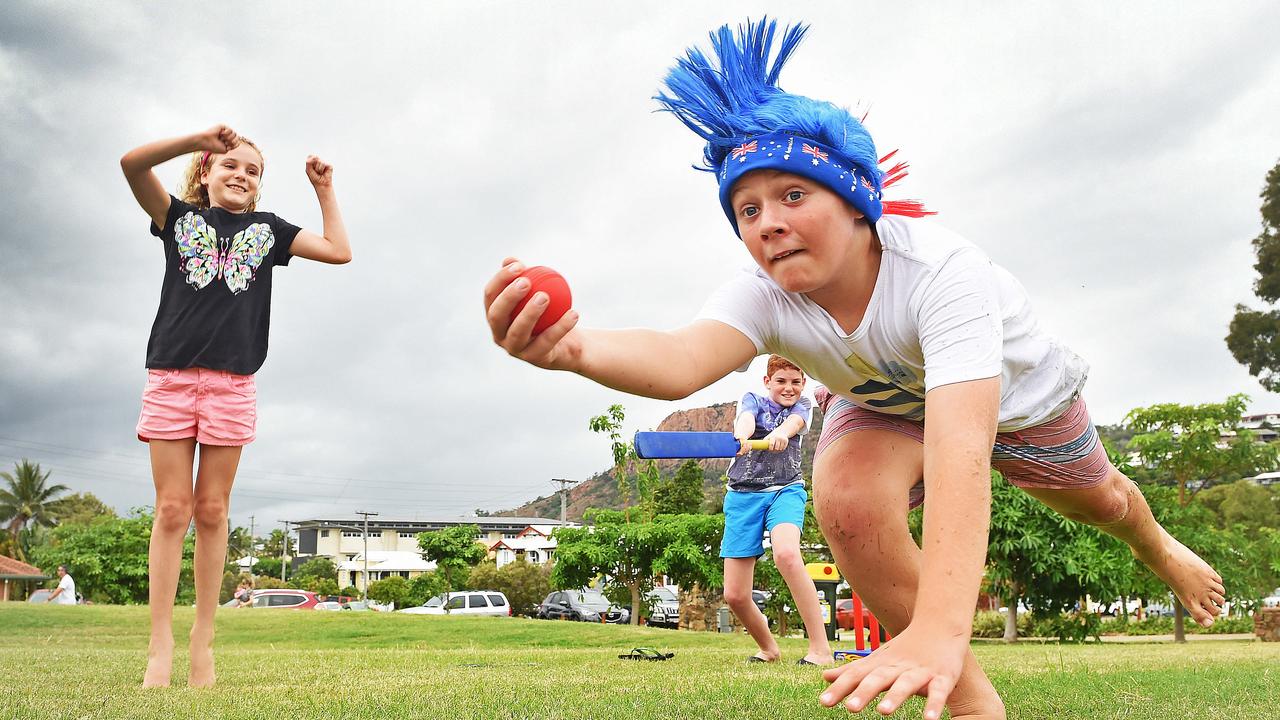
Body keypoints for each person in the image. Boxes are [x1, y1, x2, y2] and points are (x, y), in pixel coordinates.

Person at [483, 20, 1225, 720]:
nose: (766, 221)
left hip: (1017, 404)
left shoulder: (942, 272)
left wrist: (942, 625)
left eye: (792, 195)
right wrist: (575, 351)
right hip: (888, 403)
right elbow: (681, 359)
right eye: (745, 210)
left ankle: (1156, 545)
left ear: (858, 204)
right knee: (844, 497)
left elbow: (960, 452)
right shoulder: (766, 295)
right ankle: (969, 702)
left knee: (1102, 504)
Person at [120, 125, 352, 689]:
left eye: (252, 170)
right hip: (172, 380)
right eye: (229, 165)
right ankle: (160, 645)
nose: (240, 175)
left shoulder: (268, 233)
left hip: (232, 385)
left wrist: (323, 190)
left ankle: (204, 638)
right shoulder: (178, 219)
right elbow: (130, 163)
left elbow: (339, 252)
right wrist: (200, 137)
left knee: (213, 511)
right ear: (206, 171)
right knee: (172, 510)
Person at [721, 354, 830, 665]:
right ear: (768, 382)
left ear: (804, 383)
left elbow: (794, 425)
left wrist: (780, 434)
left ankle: (820, 651)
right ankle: (769, 649)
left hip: (785, 490)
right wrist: (742, 436)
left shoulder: (803, 407)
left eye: (796, 382)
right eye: (781, 381)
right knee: (736, 595)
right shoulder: (752, 399)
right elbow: (745, 418)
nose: (789, 388)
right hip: (742, 495)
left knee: (787, 554)